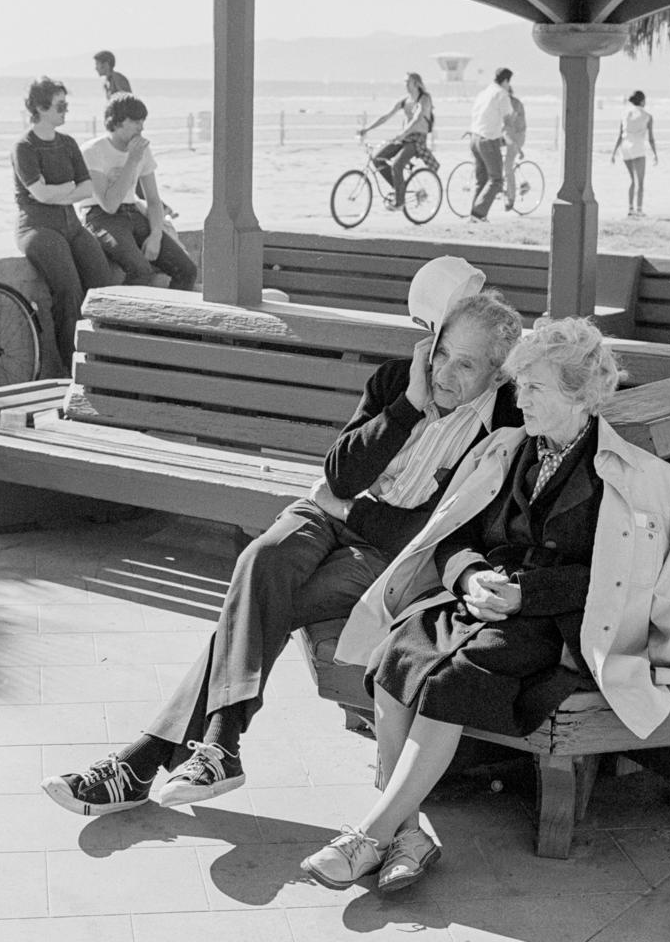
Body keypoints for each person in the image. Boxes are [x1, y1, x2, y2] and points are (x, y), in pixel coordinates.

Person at [40, 256, 524, 816]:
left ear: (497, 374)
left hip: (382, 557)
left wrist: (368, 512)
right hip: (325, 515)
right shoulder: (399, 383)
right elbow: (341, 474)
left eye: (464, 366)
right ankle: (213, 748)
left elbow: (442, 525)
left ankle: (151, 759)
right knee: (262, 558)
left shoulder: (506, 424)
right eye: (440, 353)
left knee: (262, 604)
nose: (443, 374)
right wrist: (408, 408)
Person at [302, 316, 670, 895]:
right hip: (484, 601)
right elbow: (460, 534)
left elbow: (621, 581)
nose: (521, 398)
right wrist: (469, 578)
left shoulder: (637, 478)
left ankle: (367, 835)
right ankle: (409, 836)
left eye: (536, 387)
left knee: (448, 681)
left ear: (580, 393)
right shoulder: (509, 449)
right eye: (520, 385)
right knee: (398, 652)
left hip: (560, 624)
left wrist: (527, 595)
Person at [11, 77, 112, 373]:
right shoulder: (24, 147)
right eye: (61, 105)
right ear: (41, 107)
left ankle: (104, 361)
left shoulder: (67, 143)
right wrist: (68, 187)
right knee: (68, 292)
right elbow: (39, 194)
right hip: (37, 229)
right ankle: (72, 369)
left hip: (72, 226)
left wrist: (59, 191)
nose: (66, 111)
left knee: (102, 284)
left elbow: (86, 188)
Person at [81, 92, 197, 291]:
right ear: (117, 122)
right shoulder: (92, 151)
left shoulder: (143, 151)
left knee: (187, 270)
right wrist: (132, 160)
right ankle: (117, 320)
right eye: (135, 121)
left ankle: (167, 321)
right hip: (100, 216)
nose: (141, 127)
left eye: (143, 121)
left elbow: (153, 200)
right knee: (140, 270)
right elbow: (109, 205)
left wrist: (156, 236)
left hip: (133, 213)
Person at [359, 73, 434, 210]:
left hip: (416, 140)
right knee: (377, 159)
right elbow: (386, 116)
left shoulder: (425, 99)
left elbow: (417, 118)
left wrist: (403, 133)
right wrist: (367, 128)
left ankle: (400, 202)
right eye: (405, 82)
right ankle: (400, 188)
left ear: (416, 83)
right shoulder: (405, 101)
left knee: (397, 165)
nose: (405, 84)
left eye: (408, 82)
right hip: (404, 138)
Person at [468, 67, 514, 221]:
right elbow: (508, 120)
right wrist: (509, 138)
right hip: (488, 139)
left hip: (474, 137)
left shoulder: (484, 92)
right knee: (496, 179)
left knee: (481, 179)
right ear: (506, 81)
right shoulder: (501, 94)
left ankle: (474, 214)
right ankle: (479, 213)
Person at [611, 91, 658, 217]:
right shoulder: (647, 116)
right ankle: (639, 209)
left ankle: (631, 208)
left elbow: (620, 135)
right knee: (640, 182)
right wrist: (655, 154)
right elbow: (651, 138)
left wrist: (614, 152)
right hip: (638, 148)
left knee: (632, 180)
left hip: (625, 148)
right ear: (642, 101)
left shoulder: (625, 114)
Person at [502, 86, 527, 212]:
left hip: (517, 136)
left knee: (508, 166)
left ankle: (511, 198)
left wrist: (518, 148)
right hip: (507, 135)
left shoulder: (515, 104)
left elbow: (510, 124)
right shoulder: (503, 104)